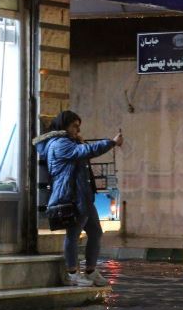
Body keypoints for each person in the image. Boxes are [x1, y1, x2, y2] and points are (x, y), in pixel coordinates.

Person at [32, 111, 123, 287]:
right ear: (64, 126)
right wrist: (111, 142)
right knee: (73, 234)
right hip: (70, 196)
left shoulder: (69, 142)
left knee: (95, 232)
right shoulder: (59, 144)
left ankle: (90, 271)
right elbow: (85, 151)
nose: (78, 129)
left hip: (83, 196)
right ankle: (72, 272)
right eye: (74, 125)